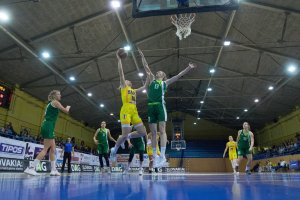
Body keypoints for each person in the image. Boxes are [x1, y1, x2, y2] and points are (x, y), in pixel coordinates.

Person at [138, 48, 197, 167]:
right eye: (158, 71)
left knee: (162, 130)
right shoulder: (151, 79)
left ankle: (163, 155)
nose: (158, 72)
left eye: (161, 72)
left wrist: (189, 68)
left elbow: (179, 75)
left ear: (163, 75)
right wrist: (142, 56)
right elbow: (146, 67)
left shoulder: (165, 82)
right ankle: (154, 156)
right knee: (153, 132)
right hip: (151, 107)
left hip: (160, 106)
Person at [110, 49, 149, 163]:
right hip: (126, 110)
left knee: (142, 132)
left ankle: (124, 137)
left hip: (134, 111)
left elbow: (145, 86)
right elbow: (121, 73)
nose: (126, 80)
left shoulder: (134, 90)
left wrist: (148, 76)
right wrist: (119, 60)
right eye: (125, 80)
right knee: (125, 134)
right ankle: (115, 149)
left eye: (127, 80)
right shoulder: (124, 87)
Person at [24, 90, 71, 176]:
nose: (60, 95)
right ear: (54, 95)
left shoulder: (50, 104)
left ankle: (53, 170)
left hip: (48, 126)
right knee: (45, 149)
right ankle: (31, 168)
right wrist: (68, 107)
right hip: (48, 126)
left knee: (53, 149)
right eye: (59, 94)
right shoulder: (55, 102)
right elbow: (66, 111)